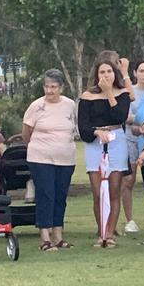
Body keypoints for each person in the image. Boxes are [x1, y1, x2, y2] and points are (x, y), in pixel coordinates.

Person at [77, 53, 131, 249]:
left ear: (114, 73)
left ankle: (110, 233)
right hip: (95, 143)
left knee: (114, 190)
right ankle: (101, 232)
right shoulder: (87, 96)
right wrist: (96, 132)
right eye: (102, 71)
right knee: (98, 191)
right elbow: (82, 128)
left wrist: (109, 92)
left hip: (117, 141)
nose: (106, 75)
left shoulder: (122, 93)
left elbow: (120, 115)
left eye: (109, 71)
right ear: (96, 74)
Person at [22, 70, 77, 251]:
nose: (50, 91)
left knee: (60, 196)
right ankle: (45, 237)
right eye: (47, 86)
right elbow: (26, 132)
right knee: (46, 195)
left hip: (65, 158)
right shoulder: (36, 106)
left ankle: (58, 235)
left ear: (61, 88)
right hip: (41, 157)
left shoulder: (69, 105)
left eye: (53, 87)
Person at [122, 60, 144, 233]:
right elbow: (124, 115)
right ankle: (129, 220)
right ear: (135, 72)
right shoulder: (129, 92)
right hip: (131, 138)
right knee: (129, 179)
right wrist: (142, 124)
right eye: (142, 71)